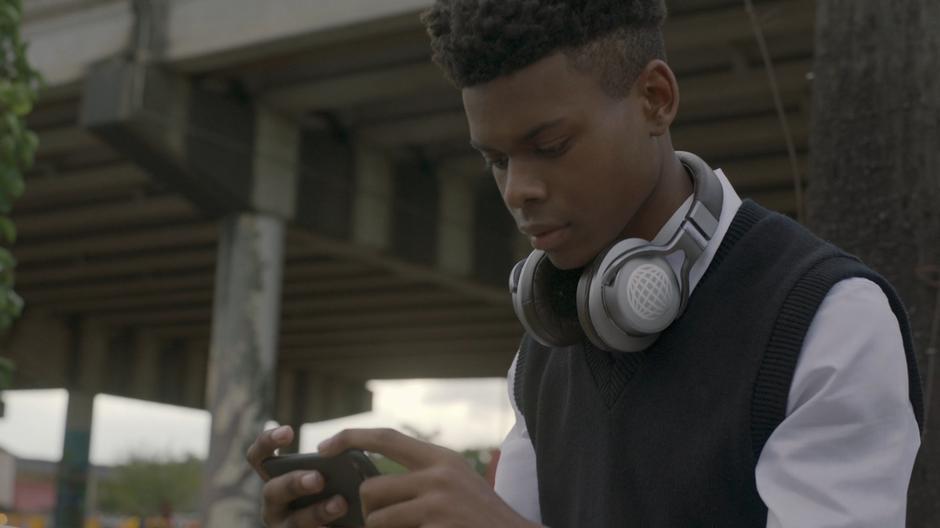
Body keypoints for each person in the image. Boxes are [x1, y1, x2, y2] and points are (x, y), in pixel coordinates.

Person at [246, 1, 924, 526]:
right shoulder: (545, 348)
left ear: (655, 99)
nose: (517, 190)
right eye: (496, 159)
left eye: (550, 144)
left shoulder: (827, 319)